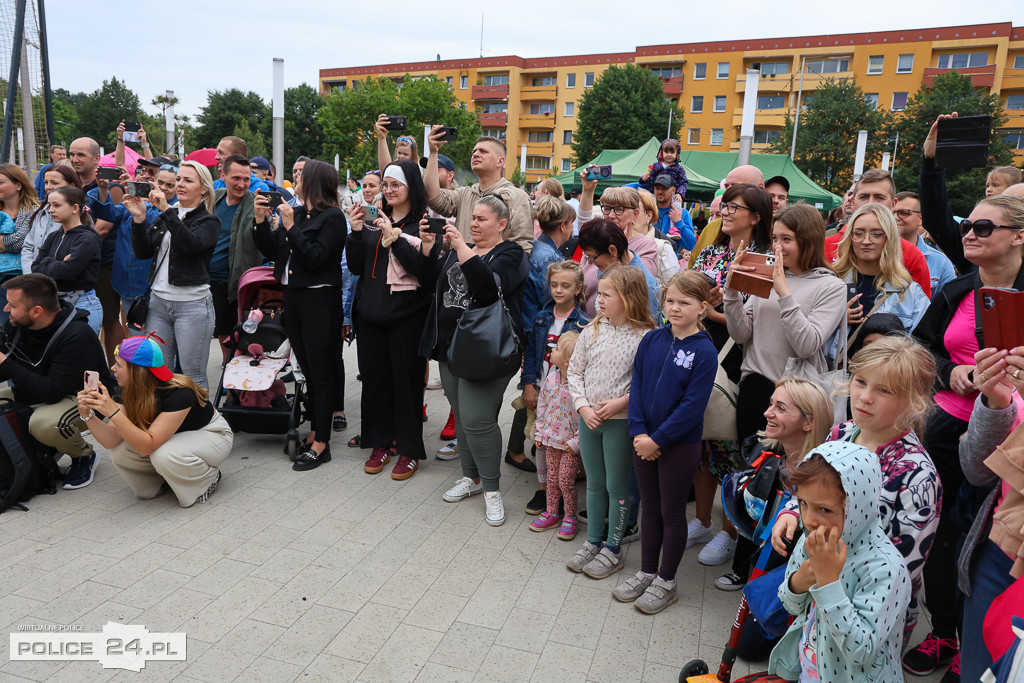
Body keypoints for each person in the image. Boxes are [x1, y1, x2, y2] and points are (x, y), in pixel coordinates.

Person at [908, 194, 1024, 679]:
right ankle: (944, 633)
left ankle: (981, 644)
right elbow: (921, 351)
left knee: (986, 547)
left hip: (1014, 439)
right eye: (967, 227)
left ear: (1019, 236)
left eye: (982, 227)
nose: (970, 234)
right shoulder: (957, 290)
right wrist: (951, 372)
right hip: (951, 429)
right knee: (943, 536)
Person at [773, 335, 941, 648]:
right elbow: (812, 486)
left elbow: (903, 567)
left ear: (913, 400)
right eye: (860, 381)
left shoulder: (916, 477)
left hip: (866, 612)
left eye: (884, 390)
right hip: (817, 591)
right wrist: (792, 511)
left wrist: (830, 576)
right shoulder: (842, 432)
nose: (864, 397)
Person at [736, 442, 911, 683]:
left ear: (858, 507)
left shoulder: (887, 569)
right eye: (803, 503)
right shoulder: (813, 540)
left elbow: (860, 650)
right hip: (810, 669)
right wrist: (798, 582)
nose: (809, 520)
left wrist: (828, 582)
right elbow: (791, 605)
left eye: (825, 510)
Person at [420, 195, 528, 526]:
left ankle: (492, 491)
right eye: (474, 218)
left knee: (479, 419)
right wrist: (428, 247)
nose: (474, 224)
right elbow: (431, 285)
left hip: (487, 351)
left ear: (502, 225)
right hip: (450, 347)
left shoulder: (511, 253)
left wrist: (462, 249)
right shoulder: (456, 248)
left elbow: (486, 288)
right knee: (463, 417)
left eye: (482, 219)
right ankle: (471, 477)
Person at [613, 271, 716, 613]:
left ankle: (666, 581)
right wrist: (640, 433)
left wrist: (658, 438)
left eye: (684, 303)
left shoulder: (704, 351)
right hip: (643, 440)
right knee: (650, 508)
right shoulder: (653, 340)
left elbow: (692, 406)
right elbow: (638, 387)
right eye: (670, 301)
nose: (674, 308)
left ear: (702, 307)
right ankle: (646, 571)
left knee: (672, 513)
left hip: (679, 445)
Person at [688, 182, 774, 568]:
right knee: (704, 443)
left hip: (737, 359)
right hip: (700, 351)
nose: (724, 211)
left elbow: (752, 325)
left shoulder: (764, 260)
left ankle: (729, 531)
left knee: (733, 450)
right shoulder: (711, 251)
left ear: (755, 216)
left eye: (733, 207)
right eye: (724, 205)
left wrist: (712, 311)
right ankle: (702, 521)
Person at [724, 203, 846, 467]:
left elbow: (807, 344)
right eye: (775, 239)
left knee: (786, 476)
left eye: (787, 239)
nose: (777, 247)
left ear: (809, 241)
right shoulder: (770, 272)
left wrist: (783, 292)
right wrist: (732, 291)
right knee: (751, 474)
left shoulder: (831, 286)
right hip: (754, 389)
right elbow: (741, 333)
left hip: (794, 400)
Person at [254, 159, 346, 472]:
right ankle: (314, 432)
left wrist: (292, 226)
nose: (296, 180)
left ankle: (321, 443)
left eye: (302, 176)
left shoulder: (333, 217)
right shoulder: (299, 213)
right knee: (306, 368)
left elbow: (317, 257)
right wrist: (261, 221)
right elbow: (273, 250)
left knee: (320, 372)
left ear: (315, 182)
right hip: (293, 297)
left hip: (320, 298)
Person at [566, 266, 657, 578]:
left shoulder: (646, 338)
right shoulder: (591, 330)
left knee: (616, 485)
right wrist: (582, 407)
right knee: (593, 482)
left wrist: (622, 403)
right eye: (599, 294)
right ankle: (593, 540)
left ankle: (613, 548)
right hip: (589, 421)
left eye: (606, 295)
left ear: (629, 297)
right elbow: (574, 371)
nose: (599, 300)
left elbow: (647, 384)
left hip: (619, 424)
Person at [344, 159, 431, 479]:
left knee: (406, 385)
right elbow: (355, 267)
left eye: (397, 185)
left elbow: (425, 272)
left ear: (411, 188)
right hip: (370, 316)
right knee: (375, 383)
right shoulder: (371, 221)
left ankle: (408, 449)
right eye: (387, 185)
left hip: (407, 317)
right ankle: (379, 442)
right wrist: (355, 233)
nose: (389, 190)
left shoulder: (421, 223)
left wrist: (395, 238)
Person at [78, 335, 233, 507]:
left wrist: (112, 411)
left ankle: (207, 479)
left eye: (119, 365)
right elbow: (111, 440)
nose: (112, 369)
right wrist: (88, 415)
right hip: (172, 439)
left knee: (164, 455)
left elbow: (147, 445)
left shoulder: (179, 393)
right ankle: (160, 483)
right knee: (120, 450)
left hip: (211, 433)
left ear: (137, 371)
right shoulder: (126, 389)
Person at [0, 273, 110, 489]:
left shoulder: (76, 335)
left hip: (83, 399)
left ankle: (84, 455)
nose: (5, 309)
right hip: (39, 390)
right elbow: (8, 373)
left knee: (44, 424)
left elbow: (51, 392)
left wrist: (4, 363)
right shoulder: (18, 326)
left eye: (12, 305)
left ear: (36, 311)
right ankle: (29, 453)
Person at [959, 345, 1024, 681]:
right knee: (977, 670)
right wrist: (996, 403)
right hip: (997, 552)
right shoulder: (1016, 385)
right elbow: (976, 471)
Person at [126, 161, 220, 390]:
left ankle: (203, 423)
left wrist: (168, 211)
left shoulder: (209, 220)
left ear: (204, 189)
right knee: (160, 373)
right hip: (158, 303)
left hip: (193, 306)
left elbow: (190, 245)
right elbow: (143, 252)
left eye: (188, 180)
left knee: (192, 375)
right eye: (180, 179)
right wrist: (138, 219)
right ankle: (167, 422)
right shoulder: (168, 214)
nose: (180, 184)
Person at [510, 194, 576, 483]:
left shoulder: (536, 247)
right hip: (538, 330)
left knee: (532, 386)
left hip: (527, 325)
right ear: (563, 225)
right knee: (535, 386)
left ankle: (518, 446)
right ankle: (520, 448)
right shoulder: (550, 258)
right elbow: (554, 304)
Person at [522, 260, 590, 517]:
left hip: (569, 396)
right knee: (541, 441)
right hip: (543, 390)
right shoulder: (541, 317)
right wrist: (529, 384)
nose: (558, 290)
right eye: (554, 285)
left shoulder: (584, 323)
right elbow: (530, 352)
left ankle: (563, 489)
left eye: (565, 285)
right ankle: (544, 490)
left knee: (564, 444)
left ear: (578, 288)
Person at [826, 203, 929, 363]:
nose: (866, 241)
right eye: (859, 234)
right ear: (850, 238)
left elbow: (922, 353)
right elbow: (806, 340)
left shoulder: (911, 294)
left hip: (885, 382)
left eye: (876, 234)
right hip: (831, 381)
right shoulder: (830, 284)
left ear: (889, 238)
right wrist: (833, 319)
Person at [824, 169, 932, 298]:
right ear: (852, 202)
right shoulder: (826, 246)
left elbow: (920, 311)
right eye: (863, 197)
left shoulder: (911, 255)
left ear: (893, 204)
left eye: (879, 197)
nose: (871, 203)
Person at [424, 127, 533, 253]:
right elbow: (433, 197)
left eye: (483, 151)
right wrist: (433, 152)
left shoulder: (518, 197)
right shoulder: (464, 194)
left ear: (500, 161)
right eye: (474, 151)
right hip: (459, 270)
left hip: (493, 271)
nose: (475, 154)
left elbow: (522, 249)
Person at [528, 331, 582, 538]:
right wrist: (540, 433)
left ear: (568, 361)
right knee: (551, 478)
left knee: (565, 480)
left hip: (569, 445)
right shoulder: (551, 378)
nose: (552, 349)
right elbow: (542, 407)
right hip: (550, 441)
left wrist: (577, 442)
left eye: (557, 348)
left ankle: (570, 516)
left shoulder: (578, 386)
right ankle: (552, 512)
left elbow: (583, 418)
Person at [31, 187, 103, 333]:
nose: (51, 210)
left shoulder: (86, 238)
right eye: (49, 205)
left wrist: (48, 262)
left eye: (56, 205)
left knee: (80, 353)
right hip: (55, 302)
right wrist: (58, 263)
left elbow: (67, 271)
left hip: (82, 303)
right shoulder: (53, 236)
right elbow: (35, 268)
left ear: (75, 207)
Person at [211, 154, 262, 342]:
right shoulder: (212, 199)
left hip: (235, 285)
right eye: (236, 178)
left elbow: (266, 243)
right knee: (214, 335)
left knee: (231, 338)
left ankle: (228, 368)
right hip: (205, 283)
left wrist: (263, 220)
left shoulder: (254, 204)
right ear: (223, 176)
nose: (241, 184)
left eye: (246, 179)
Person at [577, 219, 660, 319]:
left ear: (612, 250)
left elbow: (650, 329)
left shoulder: (645, 286)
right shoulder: (608, 265)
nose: (590, 262)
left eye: (592, 257)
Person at [687, 165, 765, 267]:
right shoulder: (711, 236)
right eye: (727, 186)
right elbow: (690, 276)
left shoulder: (774, 243)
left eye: (736, 187)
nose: (728, 193)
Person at [21, 165, 83, 275]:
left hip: (61, 283)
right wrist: (30, 274)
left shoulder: (79, 216)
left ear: (71, 186)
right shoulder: (40, 213)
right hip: (35, 280)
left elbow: (74, 259)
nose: (49, 187)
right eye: (46, 182)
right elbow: (28, 246)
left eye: (54, 183)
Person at [894, 190, 956, 296]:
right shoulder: (874, 254)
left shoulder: (941, 262)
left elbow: (949, 305)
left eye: (904, 213)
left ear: (921, 220)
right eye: (892, 212)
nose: (895, 217)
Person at [0, 164, 40, 318]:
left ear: (18, 185)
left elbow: (19, 243)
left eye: (1, 182)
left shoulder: (33, 211)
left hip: (22, 281)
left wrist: (8, 243)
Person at [635, 189, 682, 286]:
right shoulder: (616, 242)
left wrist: (679, 223)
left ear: (648, 215)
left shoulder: (663, 247)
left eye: (636, 212)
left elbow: (673, 288)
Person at [648, 174, 696, 250]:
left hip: (670, 260)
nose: (660, 192)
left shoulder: (682, 213)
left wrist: (679, 222)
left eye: (664, 188)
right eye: (657, 188)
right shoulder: (647, 211)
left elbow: (690, 245)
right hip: (648, 259)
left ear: (673, 190)